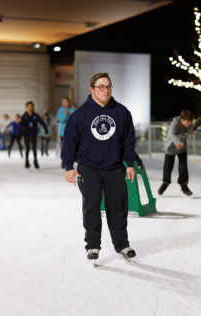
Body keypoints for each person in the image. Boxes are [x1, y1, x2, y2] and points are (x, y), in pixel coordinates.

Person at [61, 72, 137, 262]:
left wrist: (129, 164)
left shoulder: (122, 112)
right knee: (91, 207)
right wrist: (69, 166)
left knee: (118, 208)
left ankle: (122, 244)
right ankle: (92, 245)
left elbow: (129, 141)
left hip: (114, 168)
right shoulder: (79, 115)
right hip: (88, 168)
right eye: (101, 87)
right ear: (92, 89)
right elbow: (69, 143)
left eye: (109, 86)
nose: (106, 90)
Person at [158, 110, 195, 196]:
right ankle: (165, 182)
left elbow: (190, 130)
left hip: (182, 146)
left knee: (183, 166)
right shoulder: (175, 122)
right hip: (171, 146)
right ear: (182, 119)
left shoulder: (189, 124)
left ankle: (184, 185)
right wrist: (178, 142)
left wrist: (189, 131)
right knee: (168, 166)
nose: (189, 123)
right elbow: (171, 133)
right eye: (187, 121)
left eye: (190, 121)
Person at [20, 101, 48, 169]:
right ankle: (26, 161)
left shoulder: (36, 116)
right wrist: (20, 136)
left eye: (31, 106)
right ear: (26, 107)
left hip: (34, 134)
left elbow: (42, 123)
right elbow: (21, 127)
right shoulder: (24, 116)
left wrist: (46, 132)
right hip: (26, 135)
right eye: (28, 106)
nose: (30, 108)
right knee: (27, 149)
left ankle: (35, 161)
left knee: (34, 149)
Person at [57, 97, 75, 168]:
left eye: (66, 101)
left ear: (69, 102)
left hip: (71, 132)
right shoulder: (60, 110)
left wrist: (69, 113)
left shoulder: (72, 110)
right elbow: (60, 119)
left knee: (70, 148)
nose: (64, 103)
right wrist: (66, 114)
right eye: (63, 101)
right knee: (63, 147)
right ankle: (63, 161)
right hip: (62, 132)